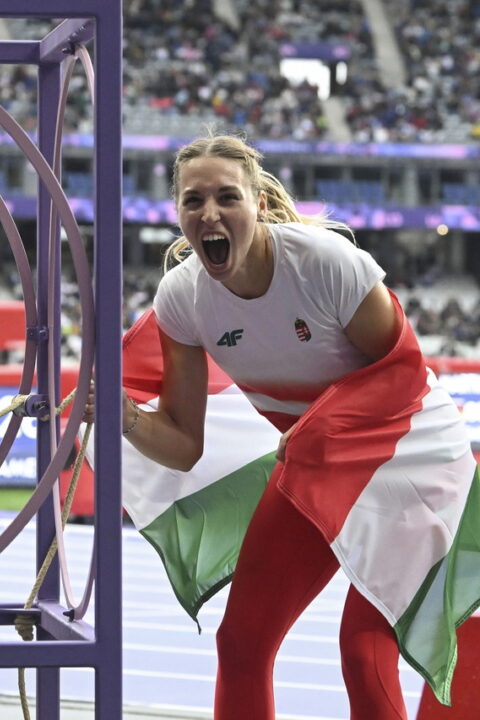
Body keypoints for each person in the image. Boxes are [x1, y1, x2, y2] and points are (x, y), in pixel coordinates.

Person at [85, 133, 480, 719]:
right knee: (242, 641)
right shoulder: (183, 298)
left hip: (410, 462)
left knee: (364, 646)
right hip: (311, 466)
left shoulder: (327, 264)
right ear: (179, 214)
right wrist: (128, 419)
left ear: (259, 205)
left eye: (227, 197)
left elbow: (400, 380)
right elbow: (183, 446)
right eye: (193, 201)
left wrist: (318, 430)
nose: (210, 213)